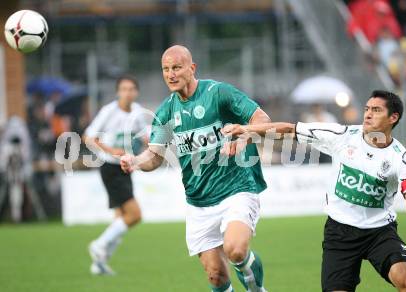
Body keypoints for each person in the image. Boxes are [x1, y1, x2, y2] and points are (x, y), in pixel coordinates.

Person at [222, 90, 406, 292]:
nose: (368, 113)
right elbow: (290, 130)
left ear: (393, 117)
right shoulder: (342, 135)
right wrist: (248, 130)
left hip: (380, 231)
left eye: (376, 110)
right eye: (367, 108)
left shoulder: (400, 158)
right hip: (339, 232)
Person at [120, 45, 270, 292]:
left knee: (236, 250)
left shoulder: (218, 93)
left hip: (237, 189)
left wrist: (244, 137)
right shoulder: (166, 111)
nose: (171, 74)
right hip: (199, 201)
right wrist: (136, 162)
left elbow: (261, 118)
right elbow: (155, 157)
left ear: (192, 68)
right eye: (165, 69)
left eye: (177, 67)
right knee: (215, 276)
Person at [84, 75, 147, 275]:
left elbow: (144, 136)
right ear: (118, 92)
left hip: (126, 168)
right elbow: (88, 137)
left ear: (136, 92)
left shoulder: (138, 112)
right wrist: (111, 150)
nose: (127, 93)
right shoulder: (108, 111)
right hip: (110, 167)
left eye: (131, 89)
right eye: (124, 89)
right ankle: (99, 244)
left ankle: (99, 263)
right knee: (134, 215)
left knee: (120, 217)